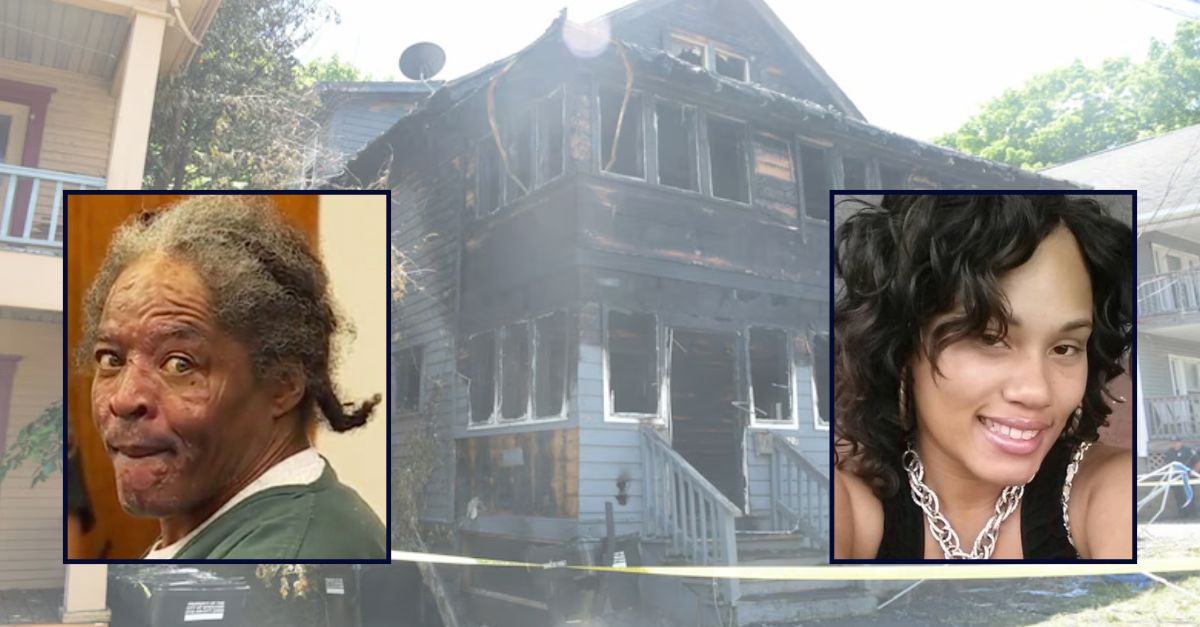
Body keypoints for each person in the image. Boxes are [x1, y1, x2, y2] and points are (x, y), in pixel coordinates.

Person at [77, 196, 386, 559]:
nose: (124, 399)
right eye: (111, 359)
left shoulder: (287, 560)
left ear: (283, 384)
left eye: (179, 364)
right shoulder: (228, 529)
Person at [832, 194, 1133, 560]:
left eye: (1064, 348)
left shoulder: (1115, 491)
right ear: (902, 346)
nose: (1037, 392)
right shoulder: (845, 505)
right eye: (989, 338)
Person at [1164, 437, 1198, 520]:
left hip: (1188, 477)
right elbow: (1167, 465)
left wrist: (1193, 472)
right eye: (1172, 442)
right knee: (1179, 496)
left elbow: (1198, 462)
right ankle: (1183, 515)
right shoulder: (1169, 452)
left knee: (1189, 495)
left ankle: (1193, 514)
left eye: (1176, 442)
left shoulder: (1188, 451)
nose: (1175, 444)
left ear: (1180, 442)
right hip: (1175, 478)